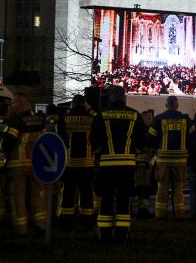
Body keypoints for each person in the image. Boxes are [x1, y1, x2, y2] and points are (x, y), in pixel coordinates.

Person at [91, 85, 145, 243]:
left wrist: (100, 151)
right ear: (124, 97)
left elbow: (93, 138)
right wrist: (134, 151)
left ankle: (104, 235)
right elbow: (142, 138)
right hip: (127, 165)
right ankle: (122, 235)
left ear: (111, 97)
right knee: (124, 200)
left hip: (106, 165)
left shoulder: (102, 115)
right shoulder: (134, 115)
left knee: (106, 199)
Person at [0, 93, 47, 235]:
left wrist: (2, 146)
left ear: (20, 104)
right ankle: (40, 225)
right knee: (38, 196)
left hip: (18, 166)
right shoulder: (40, 119)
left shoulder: (17, 120)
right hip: (37, 165)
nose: (11, 107)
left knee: (18, 197)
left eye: (13, 104)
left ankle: (21, 228)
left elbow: (8, 141)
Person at [57, 94, 98, 229]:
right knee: (86, 193)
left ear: (73, 104)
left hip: (69, 163)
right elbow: (99, 120)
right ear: (84, 104)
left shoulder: (65, 118)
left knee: (68, 192)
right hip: (87, 163)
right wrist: (89, 109)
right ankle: (87, 220)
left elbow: (60, 139)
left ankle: (66, 220)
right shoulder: (91, 118)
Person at [134, 110, 154, 219]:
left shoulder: (147, 130)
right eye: (149, 118)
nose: (151, 120)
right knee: (141, 187)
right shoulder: (142, 131)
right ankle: (141, 210)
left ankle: (143, 209)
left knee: (145, 188)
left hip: (145, 163)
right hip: (140, 164)